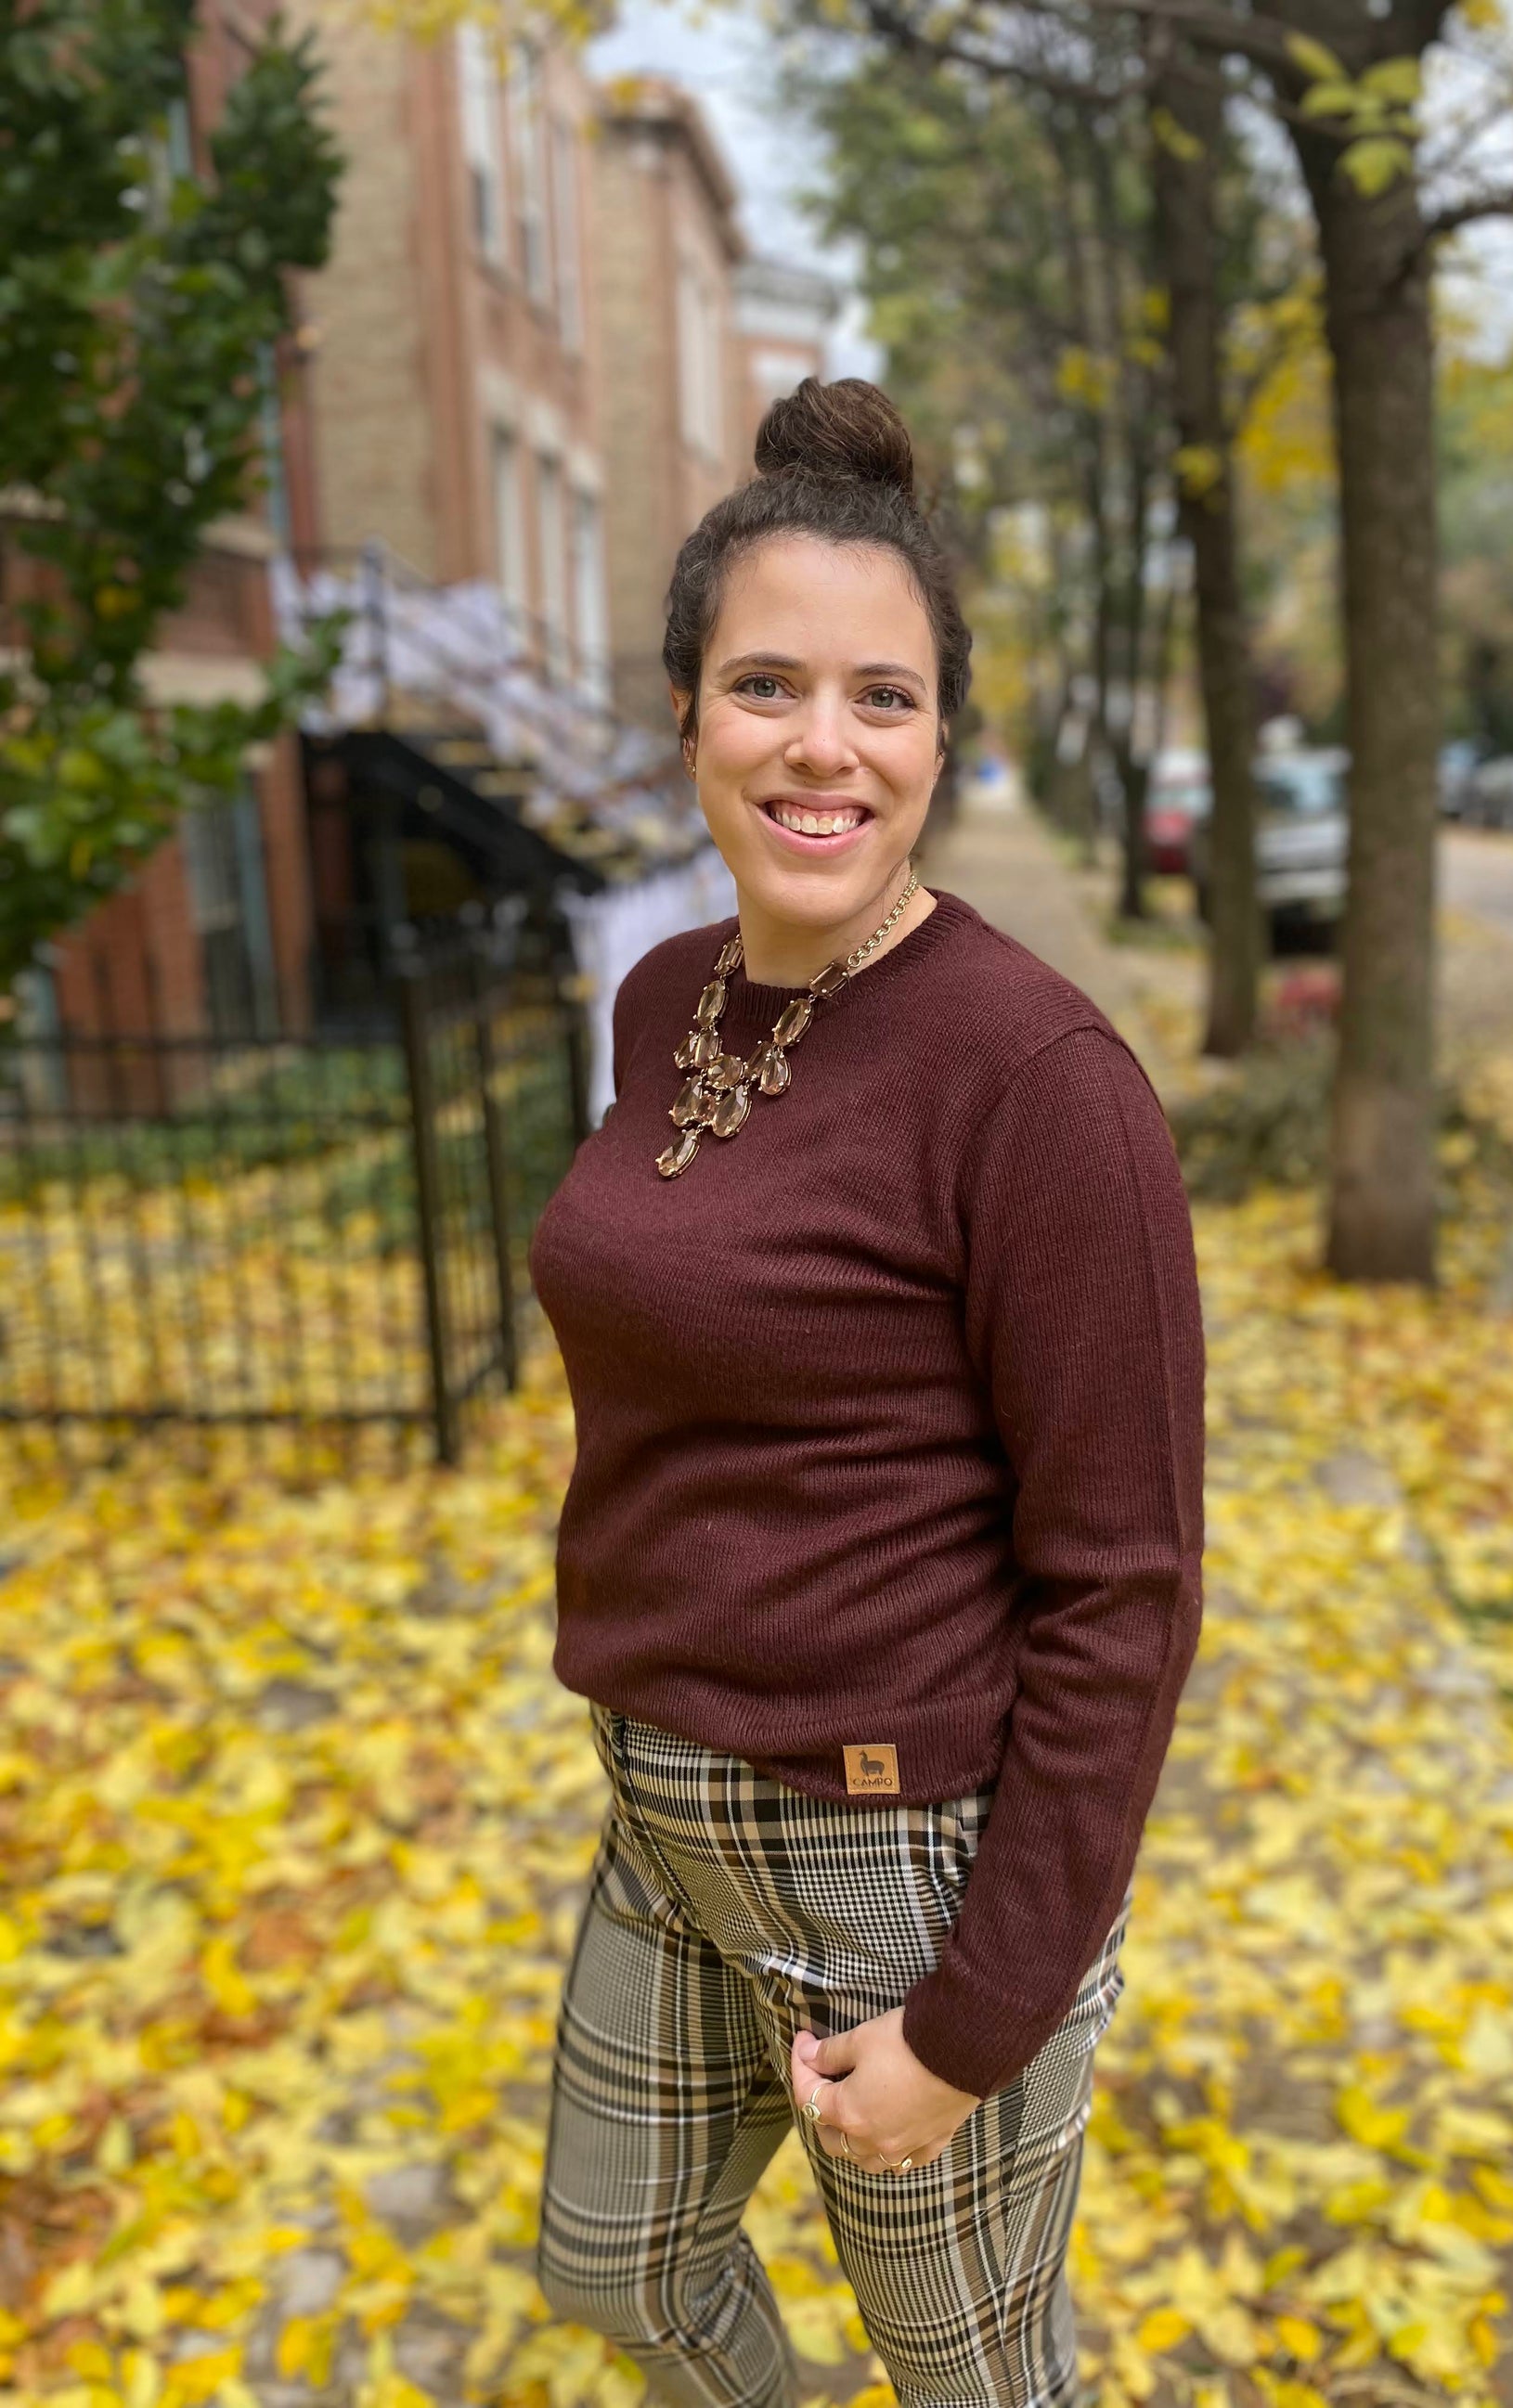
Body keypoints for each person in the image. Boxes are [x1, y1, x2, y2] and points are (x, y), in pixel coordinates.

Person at [528, 377, 1205, 2408]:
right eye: (765, 685)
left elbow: (1123, 1586)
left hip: (899, 1861)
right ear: (685, 717)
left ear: (938, 737)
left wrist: (975, 2021)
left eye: (882, 699)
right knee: (615, 2265)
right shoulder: (668, 995)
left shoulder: (1039, 1080)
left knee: (980, 2382)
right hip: (666, 1806)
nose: (821, 745)